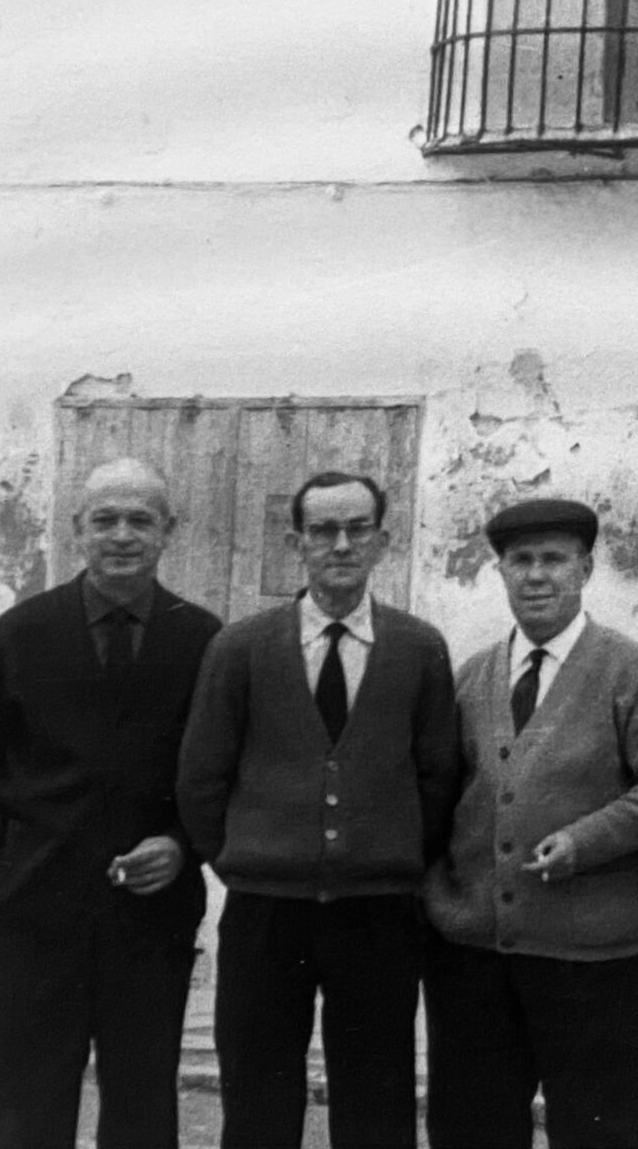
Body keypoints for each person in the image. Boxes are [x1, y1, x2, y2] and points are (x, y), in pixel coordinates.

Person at [0, 458, 222, 1149]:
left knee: (143, 1106)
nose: (122, 535)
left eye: (141, 520)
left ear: (168, 532)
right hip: (26, 918)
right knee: (30, 1108)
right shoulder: (19, 635)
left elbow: (217, 775)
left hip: (148, 923)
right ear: (77, 531)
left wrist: (183, 844)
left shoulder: (202, 640)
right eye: (105, 519)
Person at [177, 471, 460, 1149]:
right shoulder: (240, 648)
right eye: (323, 531)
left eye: (357, 529)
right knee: (257, 1092)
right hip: (265, 911)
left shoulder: (419, 649)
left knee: (376, 1095)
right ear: (295, 541)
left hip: (379, 914)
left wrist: (390, 856)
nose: (341, 545)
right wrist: (250, 856)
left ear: (382, 540)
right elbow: (202, 776)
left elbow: (438, 774)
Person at [423, 497, 638, 1148]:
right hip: (474, 957)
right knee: (472, 1130)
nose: (537, 575)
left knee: (596, 1132)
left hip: (588, 958)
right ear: (501, 572)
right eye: (521, 561)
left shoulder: (629, 672)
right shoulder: (472, 677)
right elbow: (435, 793)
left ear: (586, 568)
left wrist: (587, 840)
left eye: (554, 560)